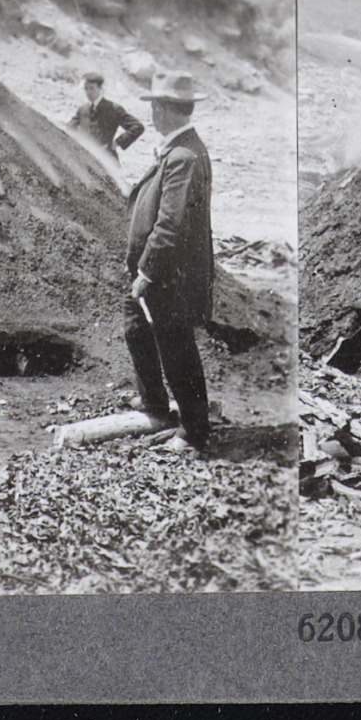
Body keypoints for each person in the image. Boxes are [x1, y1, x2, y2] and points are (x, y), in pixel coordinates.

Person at [122, 70, 215, 452]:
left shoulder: (184, 157)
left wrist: (147, 270)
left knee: (176, 347)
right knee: (135, 326)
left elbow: (170, 223)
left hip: (169, 274)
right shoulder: (176, 151)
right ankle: (155, 403)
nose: (152, 115)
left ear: (168, 109)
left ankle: (194, 431)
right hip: (156, 269)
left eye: (156, 107)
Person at [69, 72, 144, 163]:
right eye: (86, 89)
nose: (88, 92)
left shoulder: (113, 108)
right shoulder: (82, 110)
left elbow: (137, 127)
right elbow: (69, 128)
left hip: (106, 159)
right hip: (85, 158)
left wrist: (117, 142)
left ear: (100, 88)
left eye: (92, 88)